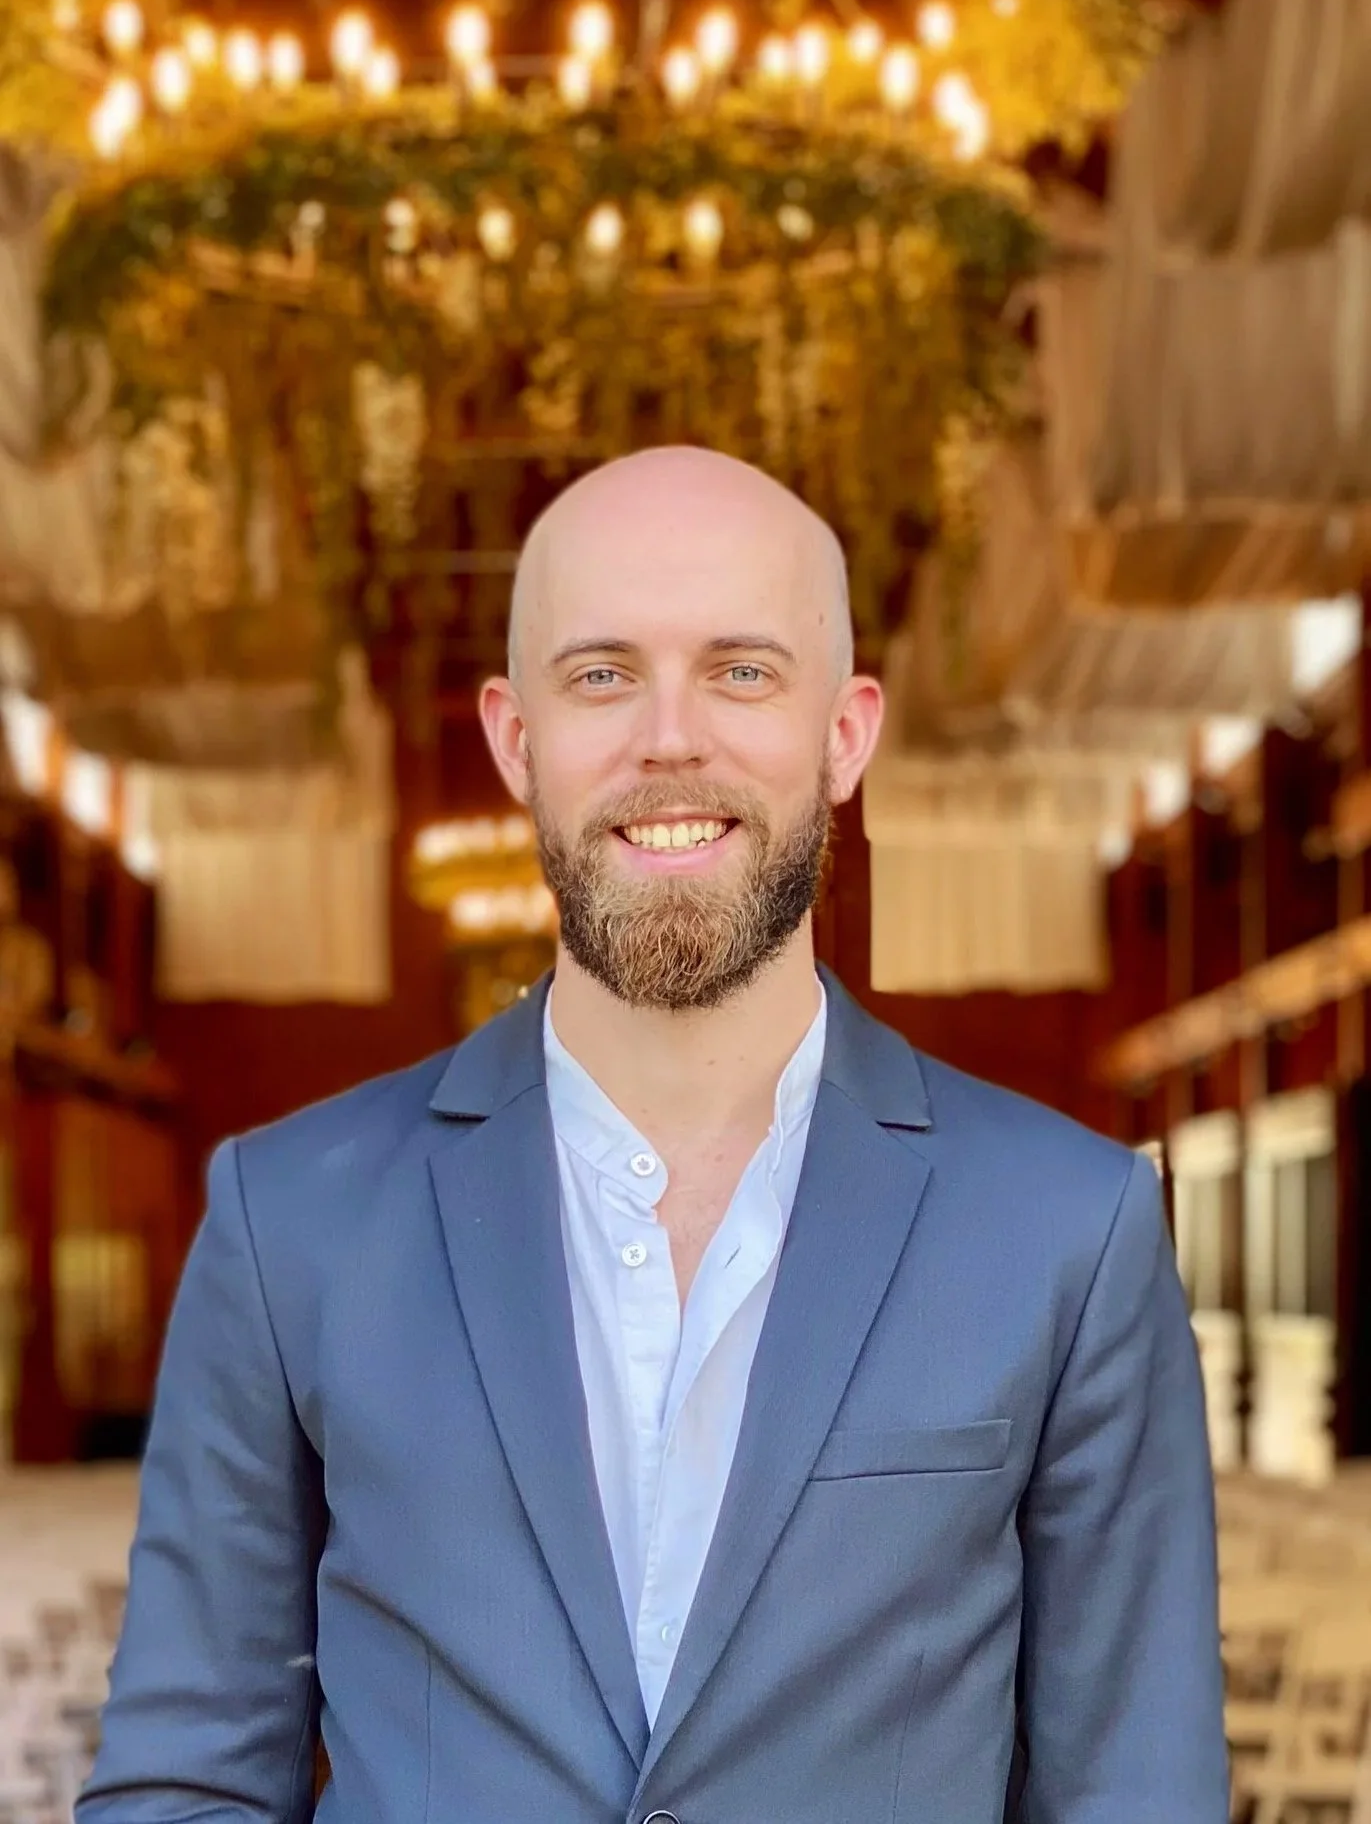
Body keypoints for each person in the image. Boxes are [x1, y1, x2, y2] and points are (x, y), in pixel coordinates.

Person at [78, 447, 1229, 1824]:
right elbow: (184, 1782)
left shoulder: (1071, 1230)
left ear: (845, 733)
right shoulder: (286, 1222)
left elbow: (1133, 1796)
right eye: (601, 674)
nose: (667, 737)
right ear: (515, 739)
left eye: (742, 671)